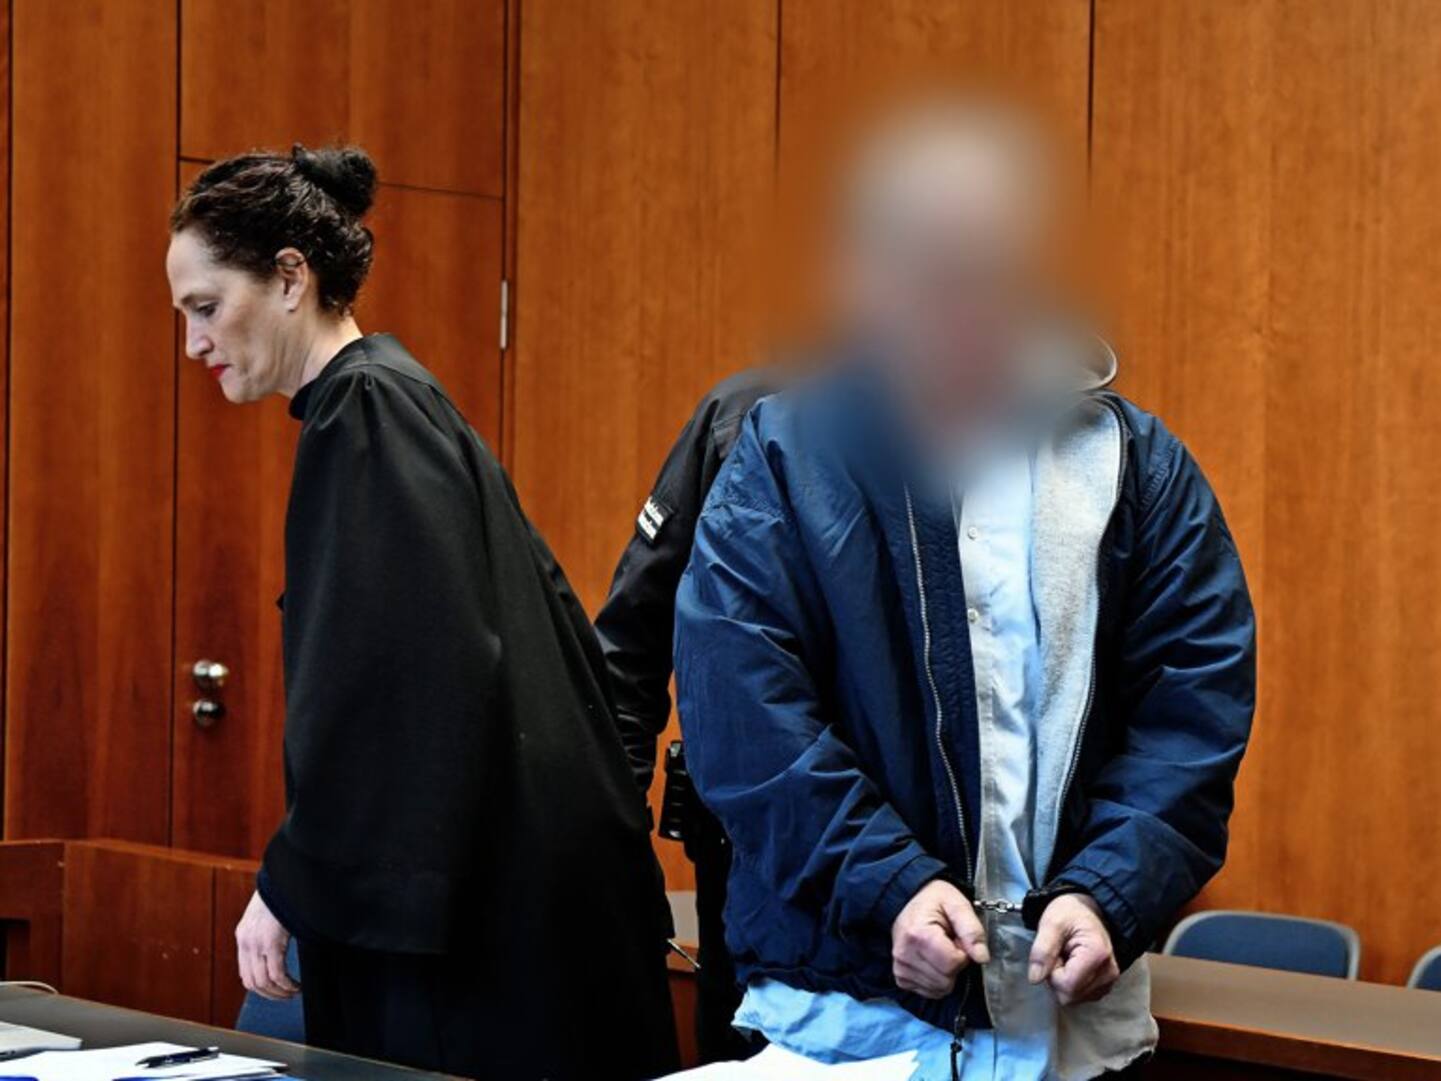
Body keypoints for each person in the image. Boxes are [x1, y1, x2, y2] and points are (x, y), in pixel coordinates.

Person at [673, 102, 1256, 1080]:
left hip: (1074, 1035)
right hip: (845, 1026)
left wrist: (1107, 892)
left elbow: (1190, 717)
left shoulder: (1134, 468)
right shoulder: (784, 457)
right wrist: (888, 885)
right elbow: (745, 717)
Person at [166, 144, 679, 1080]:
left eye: (206, 306)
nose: (194, 341)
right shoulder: (392, 401)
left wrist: (289, 882)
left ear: (291, 277)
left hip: (489, 947)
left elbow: (395, 690)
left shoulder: (367, 411)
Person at [595, 367, 782, 1062]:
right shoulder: (741, 414)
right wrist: (615, 835)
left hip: (909, 869)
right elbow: (629, 644)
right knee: (735, 1048)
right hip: (741, 849)